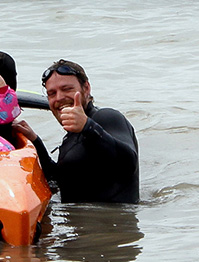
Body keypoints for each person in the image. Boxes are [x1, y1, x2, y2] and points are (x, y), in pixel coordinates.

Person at [13, 59, 139, 203]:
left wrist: (87, 127)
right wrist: (34, 140)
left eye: (67, 89)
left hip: (113, 222)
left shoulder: (107, 117)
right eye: (52, 93)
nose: (59, 97)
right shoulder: (72, 136)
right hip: (78, 222)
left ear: (86, 88)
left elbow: (128, 163)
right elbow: (59, 181)